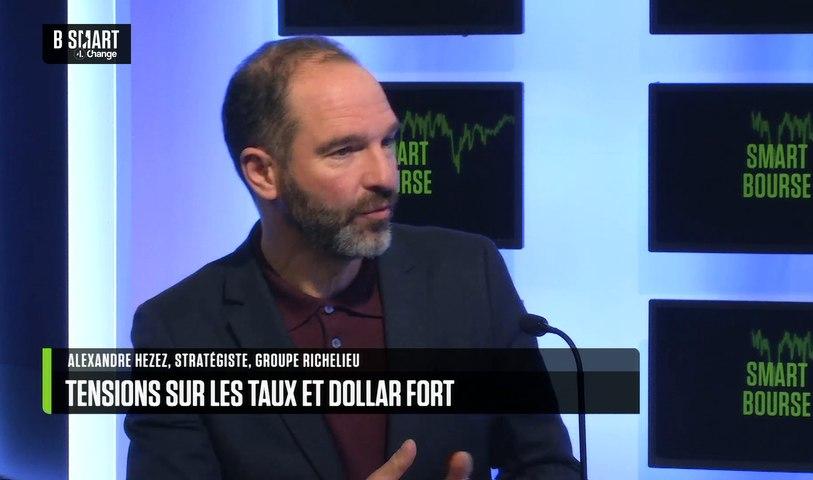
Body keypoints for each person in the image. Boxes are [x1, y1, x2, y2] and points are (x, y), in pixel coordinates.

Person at [125, 36, 580, 480]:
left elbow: (547, 465)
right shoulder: (178, 331)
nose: (385, 176)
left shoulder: (469, 274)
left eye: (387, 142)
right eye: (344, 151)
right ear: (264, 173)